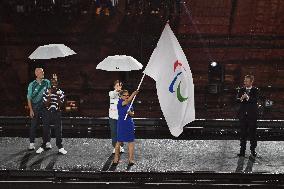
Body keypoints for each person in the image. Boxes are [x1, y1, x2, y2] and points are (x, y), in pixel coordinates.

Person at [36, 76, 67, 155]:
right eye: (52, 82)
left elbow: (61, 104)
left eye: (55, 82)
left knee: (58, 130)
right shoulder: (46, 91)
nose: (54, 84)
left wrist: (58, 96)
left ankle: (60, 147)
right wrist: (49, 95)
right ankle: (44, 145)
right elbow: (46, 103)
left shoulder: (61, 92)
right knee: (46, 129)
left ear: (57, 83)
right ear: (50, 84)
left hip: (57, 112)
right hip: (47, 112)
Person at [27, 68, 51, 150]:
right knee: (33, 125)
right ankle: (31, 143)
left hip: (45, 106)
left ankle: (47, 142)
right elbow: (29, 98)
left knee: (46, 124)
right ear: (36, 74)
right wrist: (31, 109)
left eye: (43, 72)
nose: (43, 73)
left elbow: (50, 92)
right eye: (41, 72)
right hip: (35, 106)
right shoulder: (32, 84)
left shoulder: (47, 82)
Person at [113, 89, 139, 166]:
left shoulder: (130, 104)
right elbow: (127, 101)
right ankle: (116, 158)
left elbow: (133, 114)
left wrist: (130, 113)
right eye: (125, 95)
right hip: (122, 124)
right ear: (120, 96)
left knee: (131, 142)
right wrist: (133, 94)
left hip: (129, 124)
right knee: (119, 141)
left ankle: (130, 159)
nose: (127, 96)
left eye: (128, 95)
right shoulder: (120, 102)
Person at [236, 75, 259, 158]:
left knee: (252, 134)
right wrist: (241, 99)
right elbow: (237, 100)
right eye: (244, 81)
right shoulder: (241, 90)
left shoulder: (255, 90)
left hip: (252, 116)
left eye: (246, 81)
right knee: (243, 134)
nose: (244, 82)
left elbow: (255, 100)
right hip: (243, 116)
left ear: (251, 82)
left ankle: (253, 151)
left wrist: (248, 97)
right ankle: (242, 152)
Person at [109, 80, 124, 154]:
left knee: (121, 132)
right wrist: (117, 91)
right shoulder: (111, 93)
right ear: (114, 86)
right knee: (114, 132)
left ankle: (120, 146)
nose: (119, 87)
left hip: (121, 117)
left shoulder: (123, 95)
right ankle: (115, 147)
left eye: (120, 86)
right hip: (112, 117)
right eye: (117, 85)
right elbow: (113, 95)